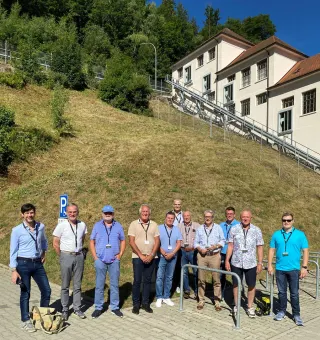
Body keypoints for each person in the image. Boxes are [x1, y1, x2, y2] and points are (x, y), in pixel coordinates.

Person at [9, 203, 51, 332]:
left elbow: (44, 241)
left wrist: (44, 252)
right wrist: (14, 270)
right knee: (25, 293)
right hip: (23, 264)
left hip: (38, 263)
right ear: (22, 214)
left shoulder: (41, 226)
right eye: (27, 213)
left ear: (34, 213)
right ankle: (25, 320)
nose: (29, 215)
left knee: (47, 290)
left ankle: (42, 316)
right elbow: (13, 250)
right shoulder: (17, 230)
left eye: (31, 212)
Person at [268, 212, 309, 326]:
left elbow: (305, 250)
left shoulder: (300, 235)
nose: (286, 222)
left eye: (289, 220)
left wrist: (304, 267)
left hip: (294, 269)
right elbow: (271, 249)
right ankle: (282, 311)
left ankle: (296, 314)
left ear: (293, 221)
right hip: (280, 268)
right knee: (281, 292)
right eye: (284, 220)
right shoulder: (276, 234)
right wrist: (270, 265)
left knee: (294, 293)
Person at [225, 210, 264, 318]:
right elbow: (230, 246)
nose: (245, 218)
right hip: (236, 262)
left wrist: (260, 263)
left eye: (247, 217)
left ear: (251, 218)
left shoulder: (256, 230)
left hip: (251, 263)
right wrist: (227, 260)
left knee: (251, 285)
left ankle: (250, 306)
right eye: (243, 217)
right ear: (240, 217)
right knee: (236, 284)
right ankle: (236, 306)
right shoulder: (234, 229)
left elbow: (260, 247)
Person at [52, 203, 87, 320]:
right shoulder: (62, 225)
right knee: (65, 285)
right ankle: (65, 309)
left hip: (79, 256)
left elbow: (83, 239)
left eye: (74, 212)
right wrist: (62, 256)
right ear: (66, 213)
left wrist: (81, 252)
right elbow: (55, 242)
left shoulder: (82, 225)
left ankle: (77, 308)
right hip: (66, 255)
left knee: (77, 285)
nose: (72, 214)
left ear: (78, 212)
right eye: (70, 212)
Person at [90, 205, 126, 318]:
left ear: (113, 214)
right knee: (99, 285)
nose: (108, 214)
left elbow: (123, 240)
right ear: (102, 213)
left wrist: (120, 254)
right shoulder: (97, 226)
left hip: (114, 260)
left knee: (114, 285)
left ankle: (114, 307)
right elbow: (92, 241)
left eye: (110, 213)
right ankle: (98, 307)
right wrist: (95, 257)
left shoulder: (118, 226)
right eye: (106, 213)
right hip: (100, 260)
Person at [128, 204, 160, 314]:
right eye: (143, 212)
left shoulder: (154, 225)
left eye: (147, 212)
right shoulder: (133, 224)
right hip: (138, 257)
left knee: (147, 281)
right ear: (140, 213)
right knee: (137, 281)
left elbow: (157, 241)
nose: (145, 213)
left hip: (151, 257)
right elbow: (131, 241)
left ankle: (145, 303)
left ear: (149, 213)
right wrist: (141, 255)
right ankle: (136, 304)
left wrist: (151, 255)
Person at [194, 210, 225, 311]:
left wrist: (215, 246)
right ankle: (201, 300)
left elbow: (223, 240)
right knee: (201, 279)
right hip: (202, 255)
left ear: (213, 217)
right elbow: (196, 243)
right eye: (206, 216)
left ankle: (217, 301)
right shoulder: (200, 228)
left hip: (214, 255)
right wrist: (200, 249)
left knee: (216, 279)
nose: (207, 218)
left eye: (209, 216)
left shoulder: (218, 228)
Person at [156, 211, 182, 307]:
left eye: (172, 218)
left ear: (174, 220)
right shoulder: (159, 228)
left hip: (173, 257)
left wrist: (172, 253)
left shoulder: (176, 229)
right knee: (159, 277)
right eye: (168, 218)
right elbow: (156, 243)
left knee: (169, 277)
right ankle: (159, 297)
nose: (170, 220)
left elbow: (179, 243)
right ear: (165, 218)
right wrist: (163, 252)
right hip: (162, 256)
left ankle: (166, 297)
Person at [178, 211, 200, 299]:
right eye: (185, 216)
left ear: (190, 216)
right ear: (182, 217)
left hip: (193, 251)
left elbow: (200, 238)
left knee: (196, 271)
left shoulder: (197, 225)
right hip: (182, 251)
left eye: (188, 216)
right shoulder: (179, 226)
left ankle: (197, 291)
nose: (186, 217)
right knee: (184, 272)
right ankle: (186, 290)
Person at [219, 207, 239, 300]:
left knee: (235, 276)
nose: (229, 215)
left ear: (234, 215)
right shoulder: (221, 225)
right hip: (222, 253)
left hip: (234, 254)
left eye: (231, 213)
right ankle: (221, 294)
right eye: (228, 214)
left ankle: (235, 297)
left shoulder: (239, 225)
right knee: (221, 275)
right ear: (225, 215)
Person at [172, 199, 183, 293]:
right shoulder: (170, 215)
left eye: (178, 204)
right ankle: (172, 283)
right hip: (171, 242)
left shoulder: (184, 215)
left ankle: (179, 285)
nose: (177, 206)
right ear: (173, 205)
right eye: (175, 204)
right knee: (172, 265)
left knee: (179, 265)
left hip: (181, 242)